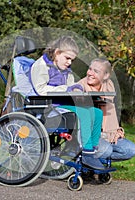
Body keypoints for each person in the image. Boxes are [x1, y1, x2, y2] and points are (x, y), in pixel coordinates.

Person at [30, 36, 107, 170]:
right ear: (57, 52)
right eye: (67, 58)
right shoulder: (41, 65)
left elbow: (71, 86)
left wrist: (77, 89)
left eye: (72, 59)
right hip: (49, 107)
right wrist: (67, 89)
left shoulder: (65, 70)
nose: (69, 62)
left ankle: (94, 151)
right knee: (84, 113)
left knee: (97, 112)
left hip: (64, 103)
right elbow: (40, 89)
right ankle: (87, 152)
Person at [78, 58, 135, 161]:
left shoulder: (109, 86)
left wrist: (114, 132)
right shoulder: (80, 87)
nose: (90, 73)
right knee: (106, 150)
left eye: (96, 71)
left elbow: (110, 113)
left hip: (109, 135)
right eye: (90, 69)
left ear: (105, 76)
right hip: (89, 137)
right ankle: (86, 161)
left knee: (130, 149)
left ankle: (97, 161)